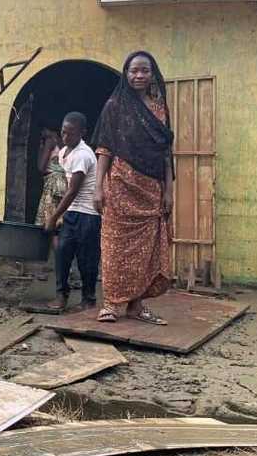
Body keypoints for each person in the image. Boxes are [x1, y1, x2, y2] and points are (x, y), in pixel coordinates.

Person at [91, 51, 174, 324]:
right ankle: (111, 304)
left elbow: (165, 152)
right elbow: (105, 148)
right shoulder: (115, 105)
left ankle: (137, 305)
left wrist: (169, 191)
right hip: (119, 186)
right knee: (114, 247)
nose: (139, 75)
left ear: (153, 75)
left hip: (151, 189)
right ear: (126, 74)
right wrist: (97, 188)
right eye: (133, 71)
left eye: (144, 71)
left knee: (145, 252)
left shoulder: (160, 108)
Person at [43, 112, 100, 312]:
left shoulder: (83, 155)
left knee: (87, 259)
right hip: (73, 212)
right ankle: (62, 296)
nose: (66, 137)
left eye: (71, 133)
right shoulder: (64, 151)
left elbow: (73, 190)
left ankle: (89, 299)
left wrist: (54, 216)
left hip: (87, 214)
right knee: (62, 253)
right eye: (63, 132)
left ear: (82, 133)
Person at [35, 127, 67, 250]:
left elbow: (41, 167)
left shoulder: (50, 141)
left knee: (51, 224)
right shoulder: (65, 141)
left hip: (52, 183)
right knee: (61, 222)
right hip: (65, 183)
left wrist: (41, 148)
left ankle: (58, 259)